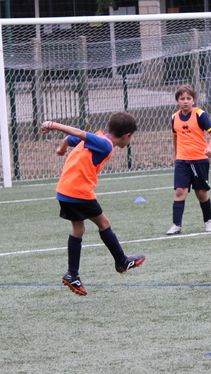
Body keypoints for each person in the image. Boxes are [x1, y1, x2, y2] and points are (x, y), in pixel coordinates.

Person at [42, 112, 145, 296]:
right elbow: (78, 133)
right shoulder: (106, 144)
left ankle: (72, 274)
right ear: (127, 135)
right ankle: (121, 261)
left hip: (64, 190)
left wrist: (62, 148)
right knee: (103, 223)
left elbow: (70, 139)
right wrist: (53, 125)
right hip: (79, 191)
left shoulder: (99, 136)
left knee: (78, 229)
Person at [166, 84, 211, 234]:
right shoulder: (174, 117)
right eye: (182, 98)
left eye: (189, 98)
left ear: (193, 100)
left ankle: (208, 221)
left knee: (201, 193)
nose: (185, 101)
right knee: (179, 191)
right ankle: (176, 225)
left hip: (199, 160)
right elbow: (176, 137)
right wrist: (176, 154)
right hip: (182, 161)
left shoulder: (200, 114)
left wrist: (210, 147)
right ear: (177, 101)